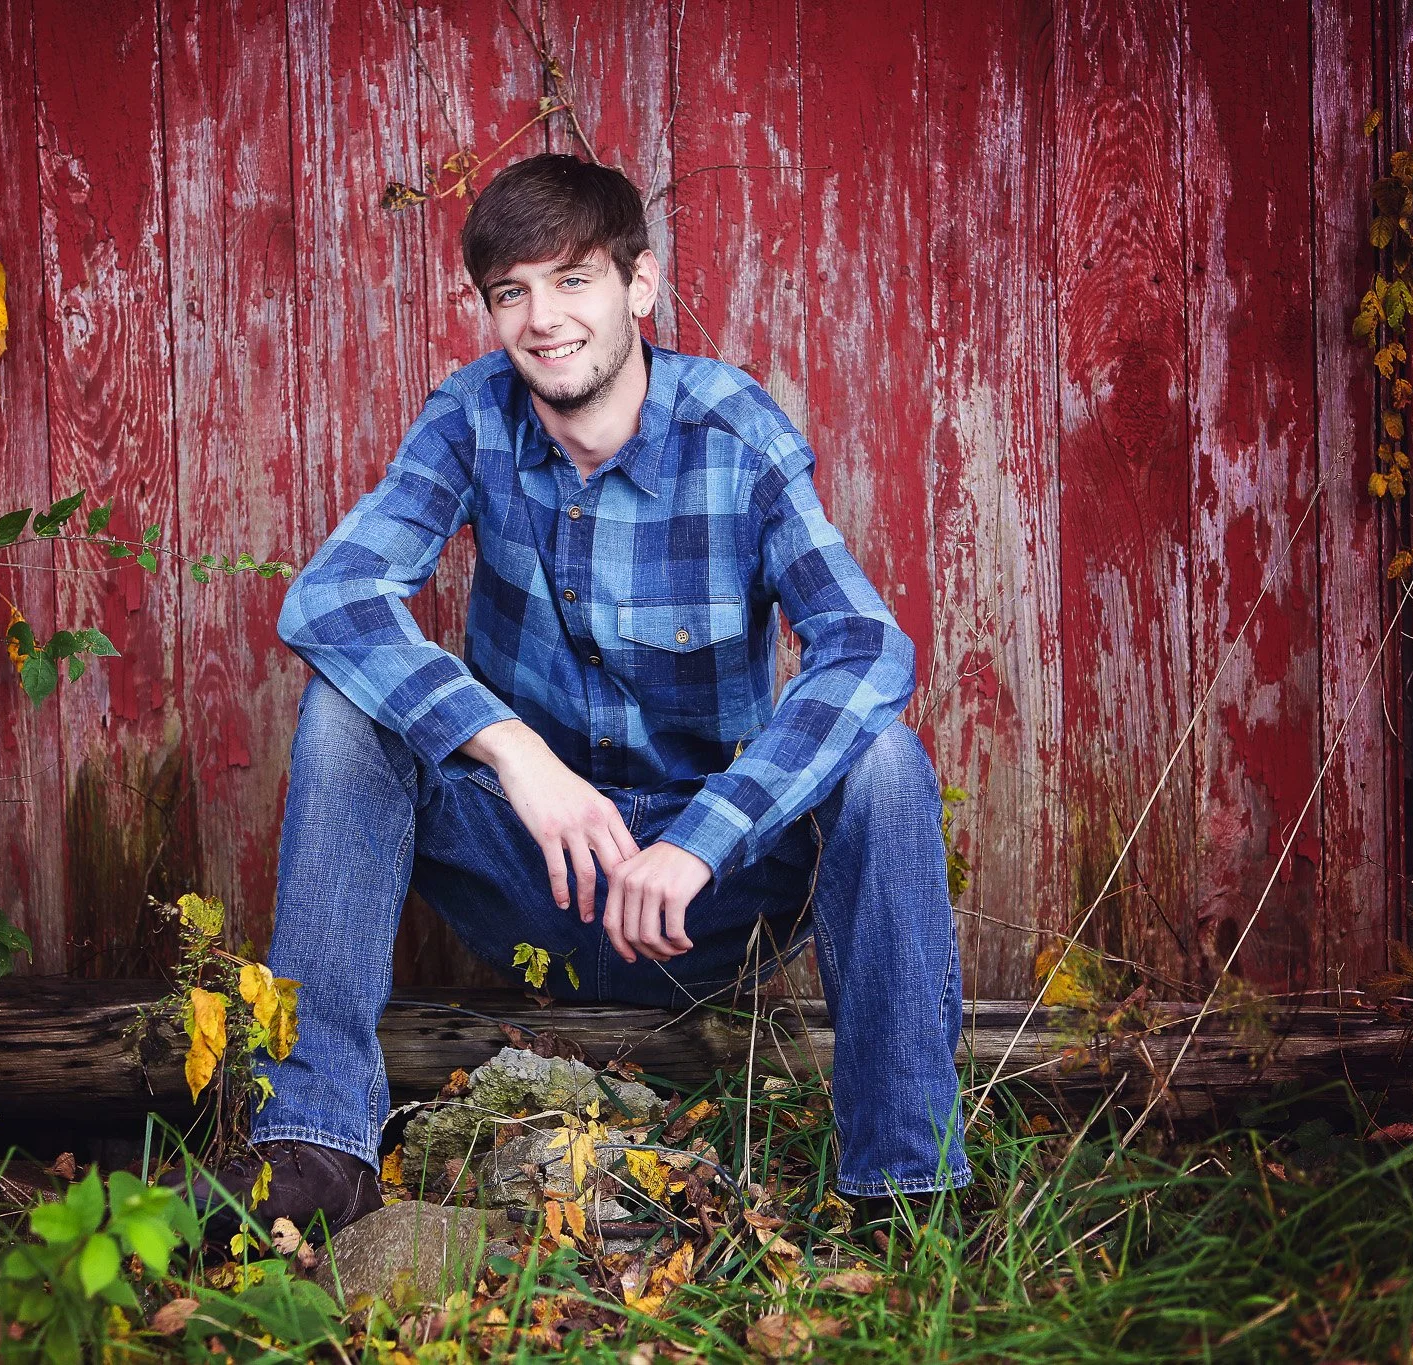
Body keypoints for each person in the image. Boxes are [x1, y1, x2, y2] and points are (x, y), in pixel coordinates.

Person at [182, 152, 968, 1243]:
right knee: (345, 707)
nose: (541, 319)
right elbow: (332, 597)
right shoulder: (471, 416)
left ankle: (905, 1187)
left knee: (882, 759)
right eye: (511, 292)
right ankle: (314, 1149)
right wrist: (513, 752)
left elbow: (864, 649)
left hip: (705, 898)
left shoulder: (735, 438)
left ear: (637, 287)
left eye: (572, 281)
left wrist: (705, 835)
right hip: (532, 877)